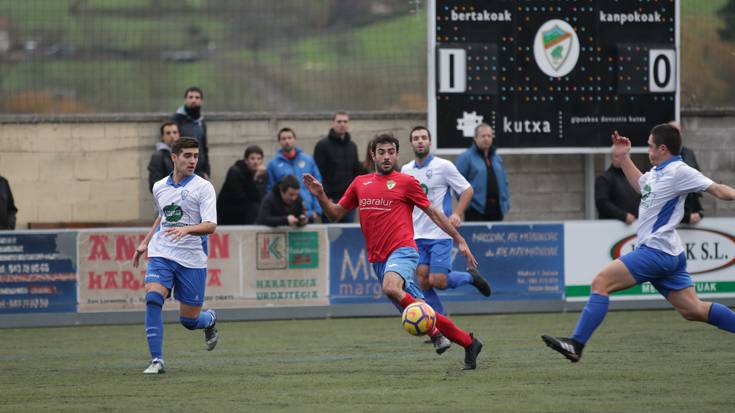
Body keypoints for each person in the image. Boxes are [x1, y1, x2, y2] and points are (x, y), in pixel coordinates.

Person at [542, 124, 735, 363]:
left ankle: (576, 344)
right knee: (693, 310)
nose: (649, 149)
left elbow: (717, 188)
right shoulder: (657, 172)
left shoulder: (679, 171)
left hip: (656, 252)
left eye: (651, 145)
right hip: (668, 253)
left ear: (663, 149)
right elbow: (642, 186)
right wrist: (623, 158)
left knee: (601, 282)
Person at [303, 133, 484, 370]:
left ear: (397, 154)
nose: (386, 156)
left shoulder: (406, 182)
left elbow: (434, 213)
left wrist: (459, 239)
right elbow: (335, 213)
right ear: (373, 155)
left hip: (404, 251)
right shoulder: (360, 183)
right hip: (378, 259)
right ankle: (469, 343)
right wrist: (320, 195)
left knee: (391, 288)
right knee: (420, 309)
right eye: (381, 152)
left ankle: (436, 334)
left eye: (391, 152)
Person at [133, 137, 219, 375]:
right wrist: (146, 241)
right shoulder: (159, 186)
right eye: (187, 156)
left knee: (189, 321)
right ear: (174, 157)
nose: (192, 160)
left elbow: (211, 225)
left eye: (195, 156)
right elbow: (162, 216)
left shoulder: (203, 187)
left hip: (192, 258)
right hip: (162, 252)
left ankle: (209, 319)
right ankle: (157, 360)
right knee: (152, 298)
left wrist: (187, 229)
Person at [401, 126, 491, 319]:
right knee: (423, 281)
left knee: (438, 280)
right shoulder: (405, 170)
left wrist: (457, 213)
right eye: (416, 138)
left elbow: (467, 190)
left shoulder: (444, 166)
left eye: (424, 137)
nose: (420, 141)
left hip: (440, 233)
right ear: (411, 143)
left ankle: (470, 277)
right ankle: (438, 323)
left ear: (429, 142)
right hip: (416, 234)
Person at [265, 127, 322, 222]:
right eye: (283, 139)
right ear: (279, 142)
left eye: (289, 138)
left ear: (294, 139)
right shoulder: (273, 164)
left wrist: (318, 210)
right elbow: (270, 190)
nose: (287, 141)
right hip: (285, 214)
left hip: (309, 212)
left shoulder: (308, 160)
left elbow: (317, 185)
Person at [455, 123, 510, 221]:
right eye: (483, 136)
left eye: (489, 136)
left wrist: (505, 202)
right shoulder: (466, 158)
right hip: (475, 211)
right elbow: (456, 184)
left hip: (497, 210)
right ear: (475, 138)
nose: (486, 139)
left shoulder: (497, 159)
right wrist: (467, 204)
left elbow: (504, 182)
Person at [313, 112, 360, 223]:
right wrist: (324, 197)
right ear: (332, 123)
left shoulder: (353, 146)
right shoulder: (322, 146)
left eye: (345, 121)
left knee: (348, 236)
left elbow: (355, 172)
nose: (342, 124)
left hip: (349, 200)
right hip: (330, 200)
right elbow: (318, 173)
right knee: (330, 236)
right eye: (339, 121)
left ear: (348, 124)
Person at [217, 145, 267, 225]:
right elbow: (241, 199)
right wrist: (254, 180)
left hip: (244, 213)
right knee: (253, 207)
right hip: (228, 214)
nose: (256, 162)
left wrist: (258, 179)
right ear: (246, 160)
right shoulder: (235, 172)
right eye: (252, 158)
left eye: (259, 159)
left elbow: (259, 198)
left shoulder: (261, 174)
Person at [669, 122, 705, 224]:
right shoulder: (661, 155)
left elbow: (698, 179)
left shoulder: (689, 153)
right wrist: (685, 217)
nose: (676, 135)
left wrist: (698, 211)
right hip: (673, 219)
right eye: (672, 132)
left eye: (678, 132)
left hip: (692, 213)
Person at [172, 86, 210, 179]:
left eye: (197, 97)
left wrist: (207, 170)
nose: (194, 100)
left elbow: (204, 147)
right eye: (190, 97)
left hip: (201, 171)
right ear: (185, 100)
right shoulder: (177, 119)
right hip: (184, 169)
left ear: (201, 101)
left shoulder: (201, 121)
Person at [595, 149, 641, 224]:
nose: (621, 159)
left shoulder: (634, 178)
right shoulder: (604, 178)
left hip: (636, 226)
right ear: (612, 157)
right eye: (617, 156)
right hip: (612, 227)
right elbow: (602, 203)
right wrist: (623, 216)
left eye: (625, 156)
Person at [147, 121, 181, 192]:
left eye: (175, 132)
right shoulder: (158, 156)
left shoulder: (184, 154)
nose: (172, 136)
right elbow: (154, 184)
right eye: (168, 133)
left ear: (179, 135)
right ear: (163, 137)